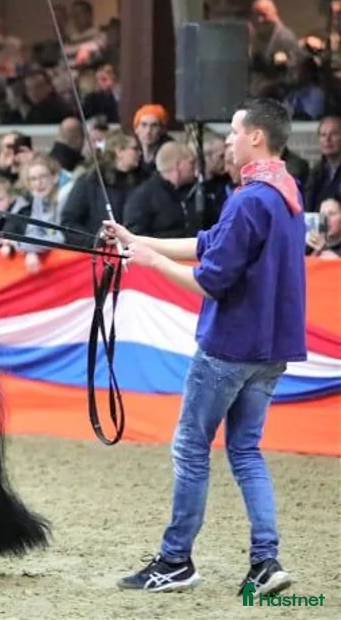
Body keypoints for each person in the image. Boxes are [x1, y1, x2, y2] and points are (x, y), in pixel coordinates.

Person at [103, 98, 306, 597]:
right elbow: (208, 241)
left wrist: (149, 260)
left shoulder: (249, 199)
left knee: (192, 448)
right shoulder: (286, 193)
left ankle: (175, 560)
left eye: (235, 133)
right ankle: (265, 561)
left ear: (256, 137)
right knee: (245, 451)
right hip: (269, 350)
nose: (227, 141)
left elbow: (210, 279)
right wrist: (138, 239)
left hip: (229, 346)